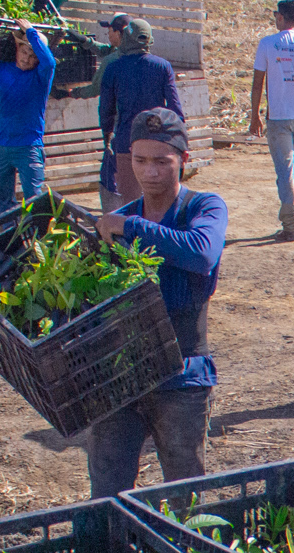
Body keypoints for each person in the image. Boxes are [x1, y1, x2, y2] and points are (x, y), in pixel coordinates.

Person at [86, 108, 225, 496]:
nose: (149, 173)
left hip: (181, 374)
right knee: (107, 492)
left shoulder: (203, 207)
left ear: (184, 160)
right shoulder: (119, 219)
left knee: (186, 494)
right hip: (121, 377)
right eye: (140, 161)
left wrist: (130, 227)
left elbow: (201, 253)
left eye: (161, 162)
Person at [0, 22, 57, 214]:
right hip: (0, 145)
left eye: (33, 56)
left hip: (28, 146)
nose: (27, 59)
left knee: (35, 199)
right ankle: (10, 235)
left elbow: (50, 63)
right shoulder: (2, 68)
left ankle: (36, 238)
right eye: (24, 52)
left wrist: (31, 32)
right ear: (17, 49)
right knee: (1, 200)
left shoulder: (41, 76)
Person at [96, 17, 183, 211]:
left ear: (126, 39)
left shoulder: (114, 68)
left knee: (131, 204)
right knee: (162, 202)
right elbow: (176, 110)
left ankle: (134, 239)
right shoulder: (162, 67)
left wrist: (107, 136)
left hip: (128, 144)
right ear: (149, 41)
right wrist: (177, 142)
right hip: (158, 141)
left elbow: (106, 110)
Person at [250, 0, 294, 239]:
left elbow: (258, 82)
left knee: (284, 168)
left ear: (280, 17)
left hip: (279, 115)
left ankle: (290, 224)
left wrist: (255, 114)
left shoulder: (268, 44)